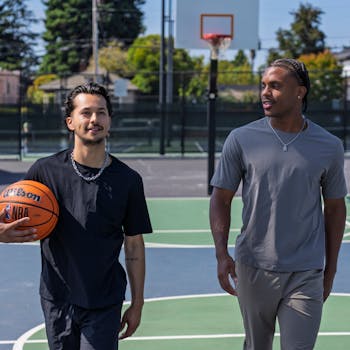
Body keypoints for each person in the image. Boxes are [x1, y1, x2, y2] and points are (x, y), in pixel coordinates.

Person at [209, 58, 347, 350]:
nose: (265, 93)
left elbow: (335, 209)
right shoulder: (241, 139)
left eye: (275, 86)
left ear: (300, 92)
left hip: (306, 271)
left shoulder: (329, 145)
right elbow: (221, 199)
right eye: (263, 86)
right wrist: (222, 254)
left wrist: (330, 270)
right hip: (253, 266)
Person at [23, 82, 152, 349]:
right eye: (86, 112)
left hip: (105, 298)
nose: (95, 119)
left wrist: (137, 303)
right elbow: (12, 217)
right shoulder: (44, 172)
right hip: (57, 298)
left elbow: (134, 245)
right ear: (70, 121)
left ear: (110, 120)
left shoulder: (128, 180)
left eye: (102, 112)